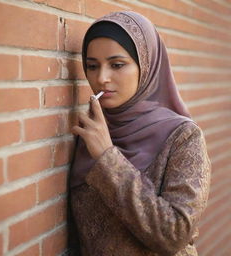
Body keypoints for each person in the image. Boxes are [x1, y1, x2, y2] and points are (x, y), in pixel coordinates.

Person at [68, 11, 211, 256]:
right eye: (92, 66)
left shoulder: (183, 136)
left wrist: (107, 158)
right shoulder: (92, 132)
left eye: (117, 65)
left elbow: (175, 234)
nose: (101, 78)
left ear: (146, 66)